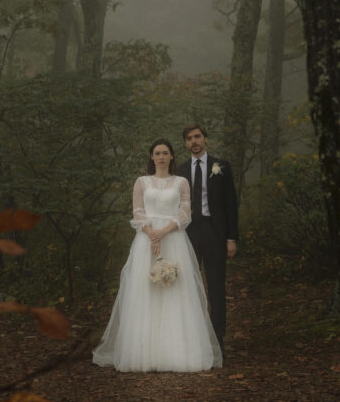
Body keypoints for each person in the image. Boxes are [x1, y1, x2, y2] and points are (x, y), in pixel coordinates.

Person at [92, 139, 222, 372]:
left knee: (175, 291)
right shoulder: (141, 182)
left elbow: (185, 212)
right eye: (157, 153)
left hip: (173, 238)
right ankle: (144, 352)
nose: (161, 156)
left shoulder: (181, 182)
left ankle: (176, 352)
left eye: (165, 153)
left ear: (172, 156)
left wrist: (163, 232)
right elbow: (138, 211)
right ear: (151, 157)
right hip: (146, 240)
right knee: (146, 291)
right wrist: (151, 234)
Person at [176, 123, 238, 352]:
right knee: (188, 286)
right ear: (185, 143)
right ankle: (192, 339)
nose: (194, 141)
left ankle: (217, 340)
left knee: (216, 286)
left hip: (215, 232)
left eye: (197, 137)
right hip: (187, 233)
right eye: (189, 138)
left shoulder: (221, 167)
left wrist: (231, 238)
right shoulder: (180, 171)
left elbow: (231, 204)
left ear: (205, 139)